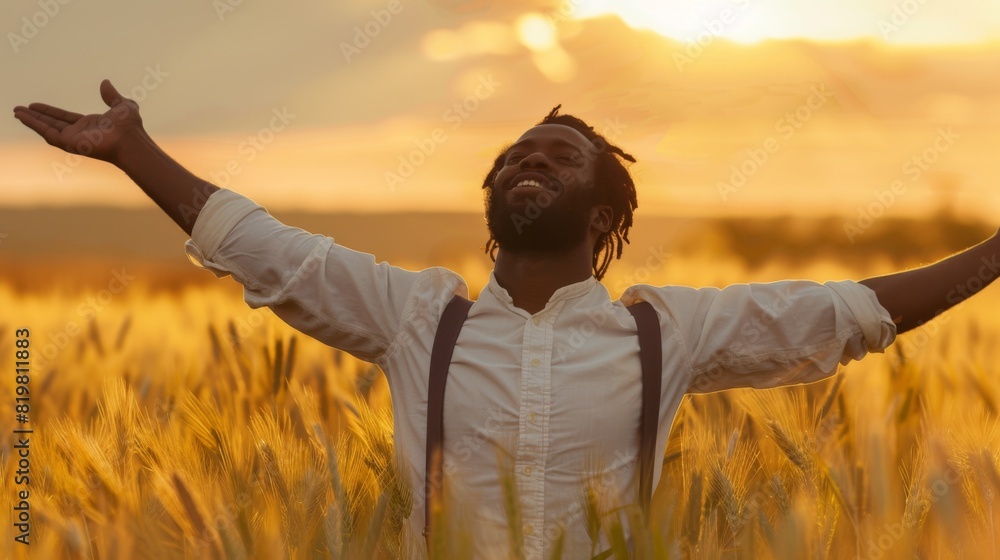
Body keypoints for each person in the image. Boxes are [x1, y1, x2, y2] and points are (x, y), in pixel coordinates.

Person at [13, 80, 1000, 559]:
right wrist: (134, 149)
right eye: (518, 153)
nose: (532, 159)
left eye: (559, 155)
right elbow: (269, 249)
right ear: (490, 198)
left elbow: (854, 312)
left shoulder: (669, 331)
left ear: (607, 215)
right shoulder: (414, 315)